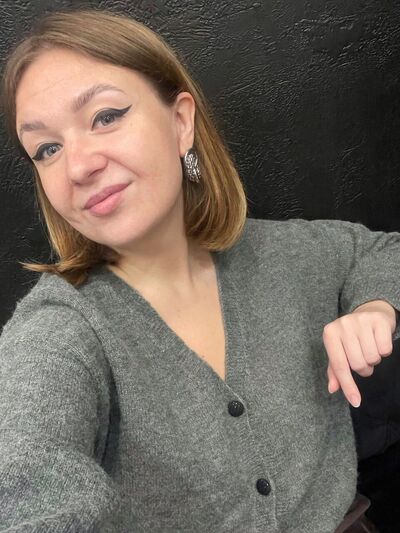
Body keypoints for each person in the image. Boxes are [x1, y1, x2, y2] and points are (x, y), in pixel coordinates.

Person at [0, 8, 399, 532]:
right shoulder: (60, 329)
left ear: (180, 122)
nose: (77, 166)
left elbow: (382, 251)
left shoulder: (287, 253)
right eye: (47, 149)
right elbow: (23, 473)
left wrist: (375, 306)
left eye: (106, 116)